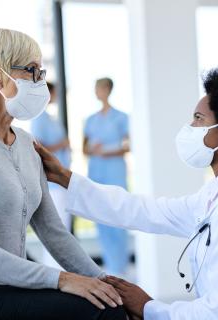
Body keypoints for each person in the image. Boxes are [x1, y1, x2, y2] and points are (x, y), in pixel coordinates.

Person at [34, 64, 218, 319]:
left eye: (198, 119)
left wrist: (148, 306)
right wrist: (65, 177)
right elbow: (146, 211)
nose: (189, 127)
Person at [0, 28, 125, 320]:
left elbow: (53, 231)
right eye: (32, 71)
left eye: (41, 73)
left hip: (9, 286)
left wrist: (106, 283)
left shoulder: (24, 143)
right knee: (101, 313)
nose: (40, 82)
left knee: (112, 304)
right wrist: (65, 279)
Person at [83, 77, 130, 276]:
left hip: (115, 172)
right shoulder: (90, 120)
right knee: (100, 217)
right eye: (95, 88)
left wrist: (108, 150)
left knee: (118, 215)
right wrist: (93, 149)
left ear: (108, 90)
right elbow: (84, 147)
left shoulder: (121, 117)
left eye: (99, 88)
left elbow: (128, 145)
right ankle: (110, 268)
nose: (97, 92)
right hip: (96, 172)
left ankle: (121, 266)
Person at [31, 82, 73, 269]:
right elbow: (38, 147)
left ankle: (62, 268)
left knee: (63, 228)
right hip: (53, 183)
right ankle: (56, 270)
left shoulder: (50, 118)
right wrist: (62, 144)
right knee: (57, 229)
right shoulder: (39, 119)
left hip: (62, 181)